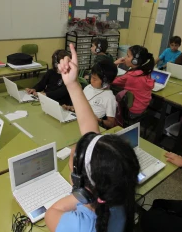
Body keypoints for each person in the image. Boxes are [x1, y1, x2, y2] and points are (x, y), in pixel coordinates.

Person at [45, 43, 140, 232]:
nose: (74, 150)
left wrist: (81, 195)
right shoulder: (118, 196)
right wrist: (72, 83)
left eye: (75, 155)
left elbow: (52, 212)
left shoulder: (80, 224)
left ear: (80, 181)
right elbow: (91, 132)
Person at [63, 60, 118, 129]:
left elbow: (111, 123)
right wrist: (70, 108)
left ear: (106, 82)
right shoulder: (88, 87)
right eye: (91, 77)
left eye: (95, 79)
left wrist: (99, 120)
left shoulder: (109, 98)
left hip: (91, 126)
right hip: (77, 119)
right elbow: (80, 105)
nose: (91, 80)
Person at [112, 45, 155, 116]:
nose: (125, 58)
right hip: (142, 107)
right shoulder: (145, 72)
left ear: (135, 61)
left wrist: (115, 63)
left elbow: (111, 80)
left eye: (128, 56)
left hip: (131, 110)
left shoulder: (131, 75)